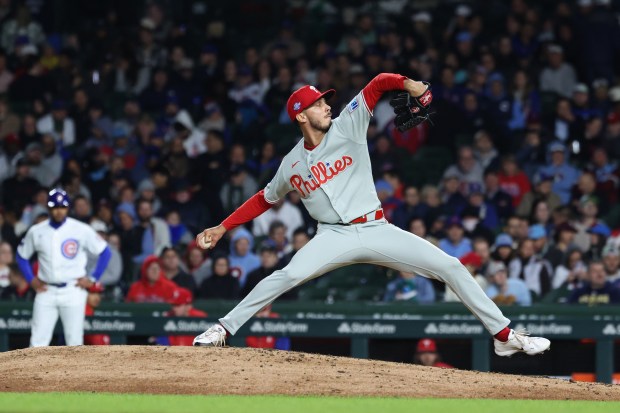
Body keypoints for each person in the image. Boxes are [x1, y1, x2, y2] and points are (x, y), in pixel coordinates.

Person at [192, 73, 550, 356]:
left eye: (325, 101)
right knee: (285, 275)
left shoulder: (348, 124)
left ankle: (504, 336)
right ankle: (223, 329)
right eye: (318, 104)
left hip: (376, 228)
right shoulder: (291, 164)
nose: (326, 106)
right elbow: (263, 199)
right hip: (332, 236)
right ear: (301, 115)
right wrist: (224, 227)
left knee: (451, 266)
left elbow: (378, 83)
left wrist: (410, 85)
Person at [16, 189, 111, 347]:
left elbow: (105, 252)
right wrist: (31, 280)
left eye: (62, 206)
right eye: (54, 207)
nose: (58, 211)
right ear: (48, 208)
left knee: (74, 341)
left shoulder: (80, 229)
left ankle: (74, 373)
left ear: (68, 208)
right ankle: (35, 373)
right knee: (38, 341)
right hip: (46, 290)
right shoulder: (36, 230)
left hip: (72, 289)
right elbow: (21, 256)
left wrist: (93, 278)